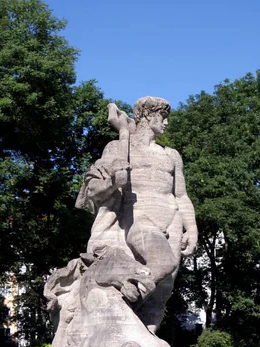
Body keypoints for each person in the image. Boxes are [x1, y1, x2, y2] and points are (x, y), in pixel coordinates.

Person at [76, 96, 198, 332]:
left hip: (171, 219)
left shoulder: (171, 156)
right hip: (137, 217)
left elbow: (181, 196)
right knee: (163, 262)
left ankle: (146, 339)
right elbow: (97, 185)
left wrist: (191, 228)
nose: (166, 123)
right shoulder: (118, 147)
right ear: (147, 116)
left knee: (163, 289)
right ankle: (120, 310)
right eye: (162, 117)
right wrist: (113, 179)